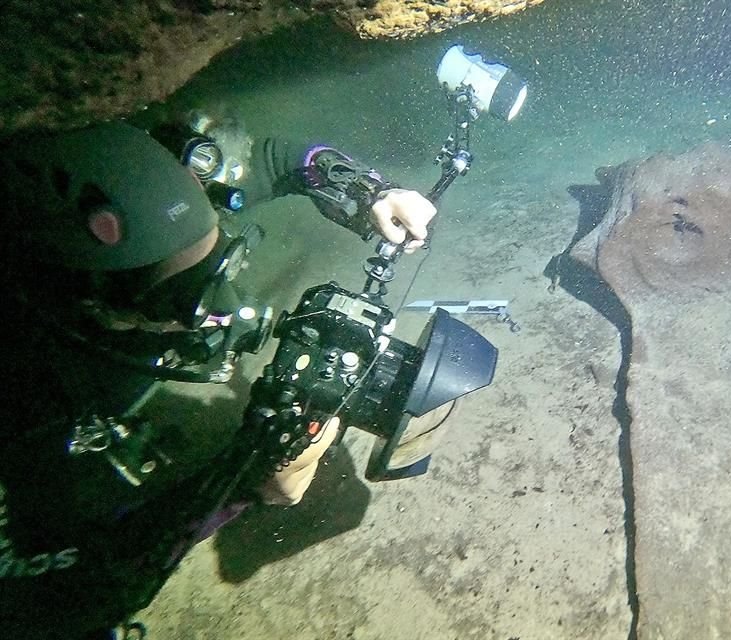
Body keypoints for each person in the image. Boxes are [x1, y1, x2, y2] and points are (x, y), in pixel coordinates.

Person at [0, 116, 447, 639]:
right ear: (89, 294)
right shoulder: (27, 388)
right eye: (188, 298)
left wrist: (372, 192)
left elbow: (282, 159)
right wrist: (246, 484)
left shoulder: (169, 183)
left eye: (221, 261)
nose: (227, 309)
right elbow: (59, 598)